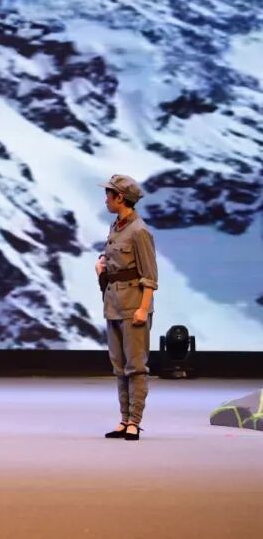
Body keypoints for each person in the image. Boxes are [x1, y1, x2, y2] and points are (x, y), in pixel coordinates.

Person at [96, 175, 158, 442]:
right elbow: (112, 254)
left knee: (136, 367)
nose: (106, 199)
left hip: (133, 306)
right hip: (113, 303)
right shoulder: (117, 226)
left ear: (120, 198)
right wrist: (101, 263)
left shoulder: (139, 231)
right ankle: (124, 419)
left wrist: (143, 309)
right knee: (119, 367)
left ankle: (134, 421)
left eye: (108, 194)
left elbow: (150, 276)